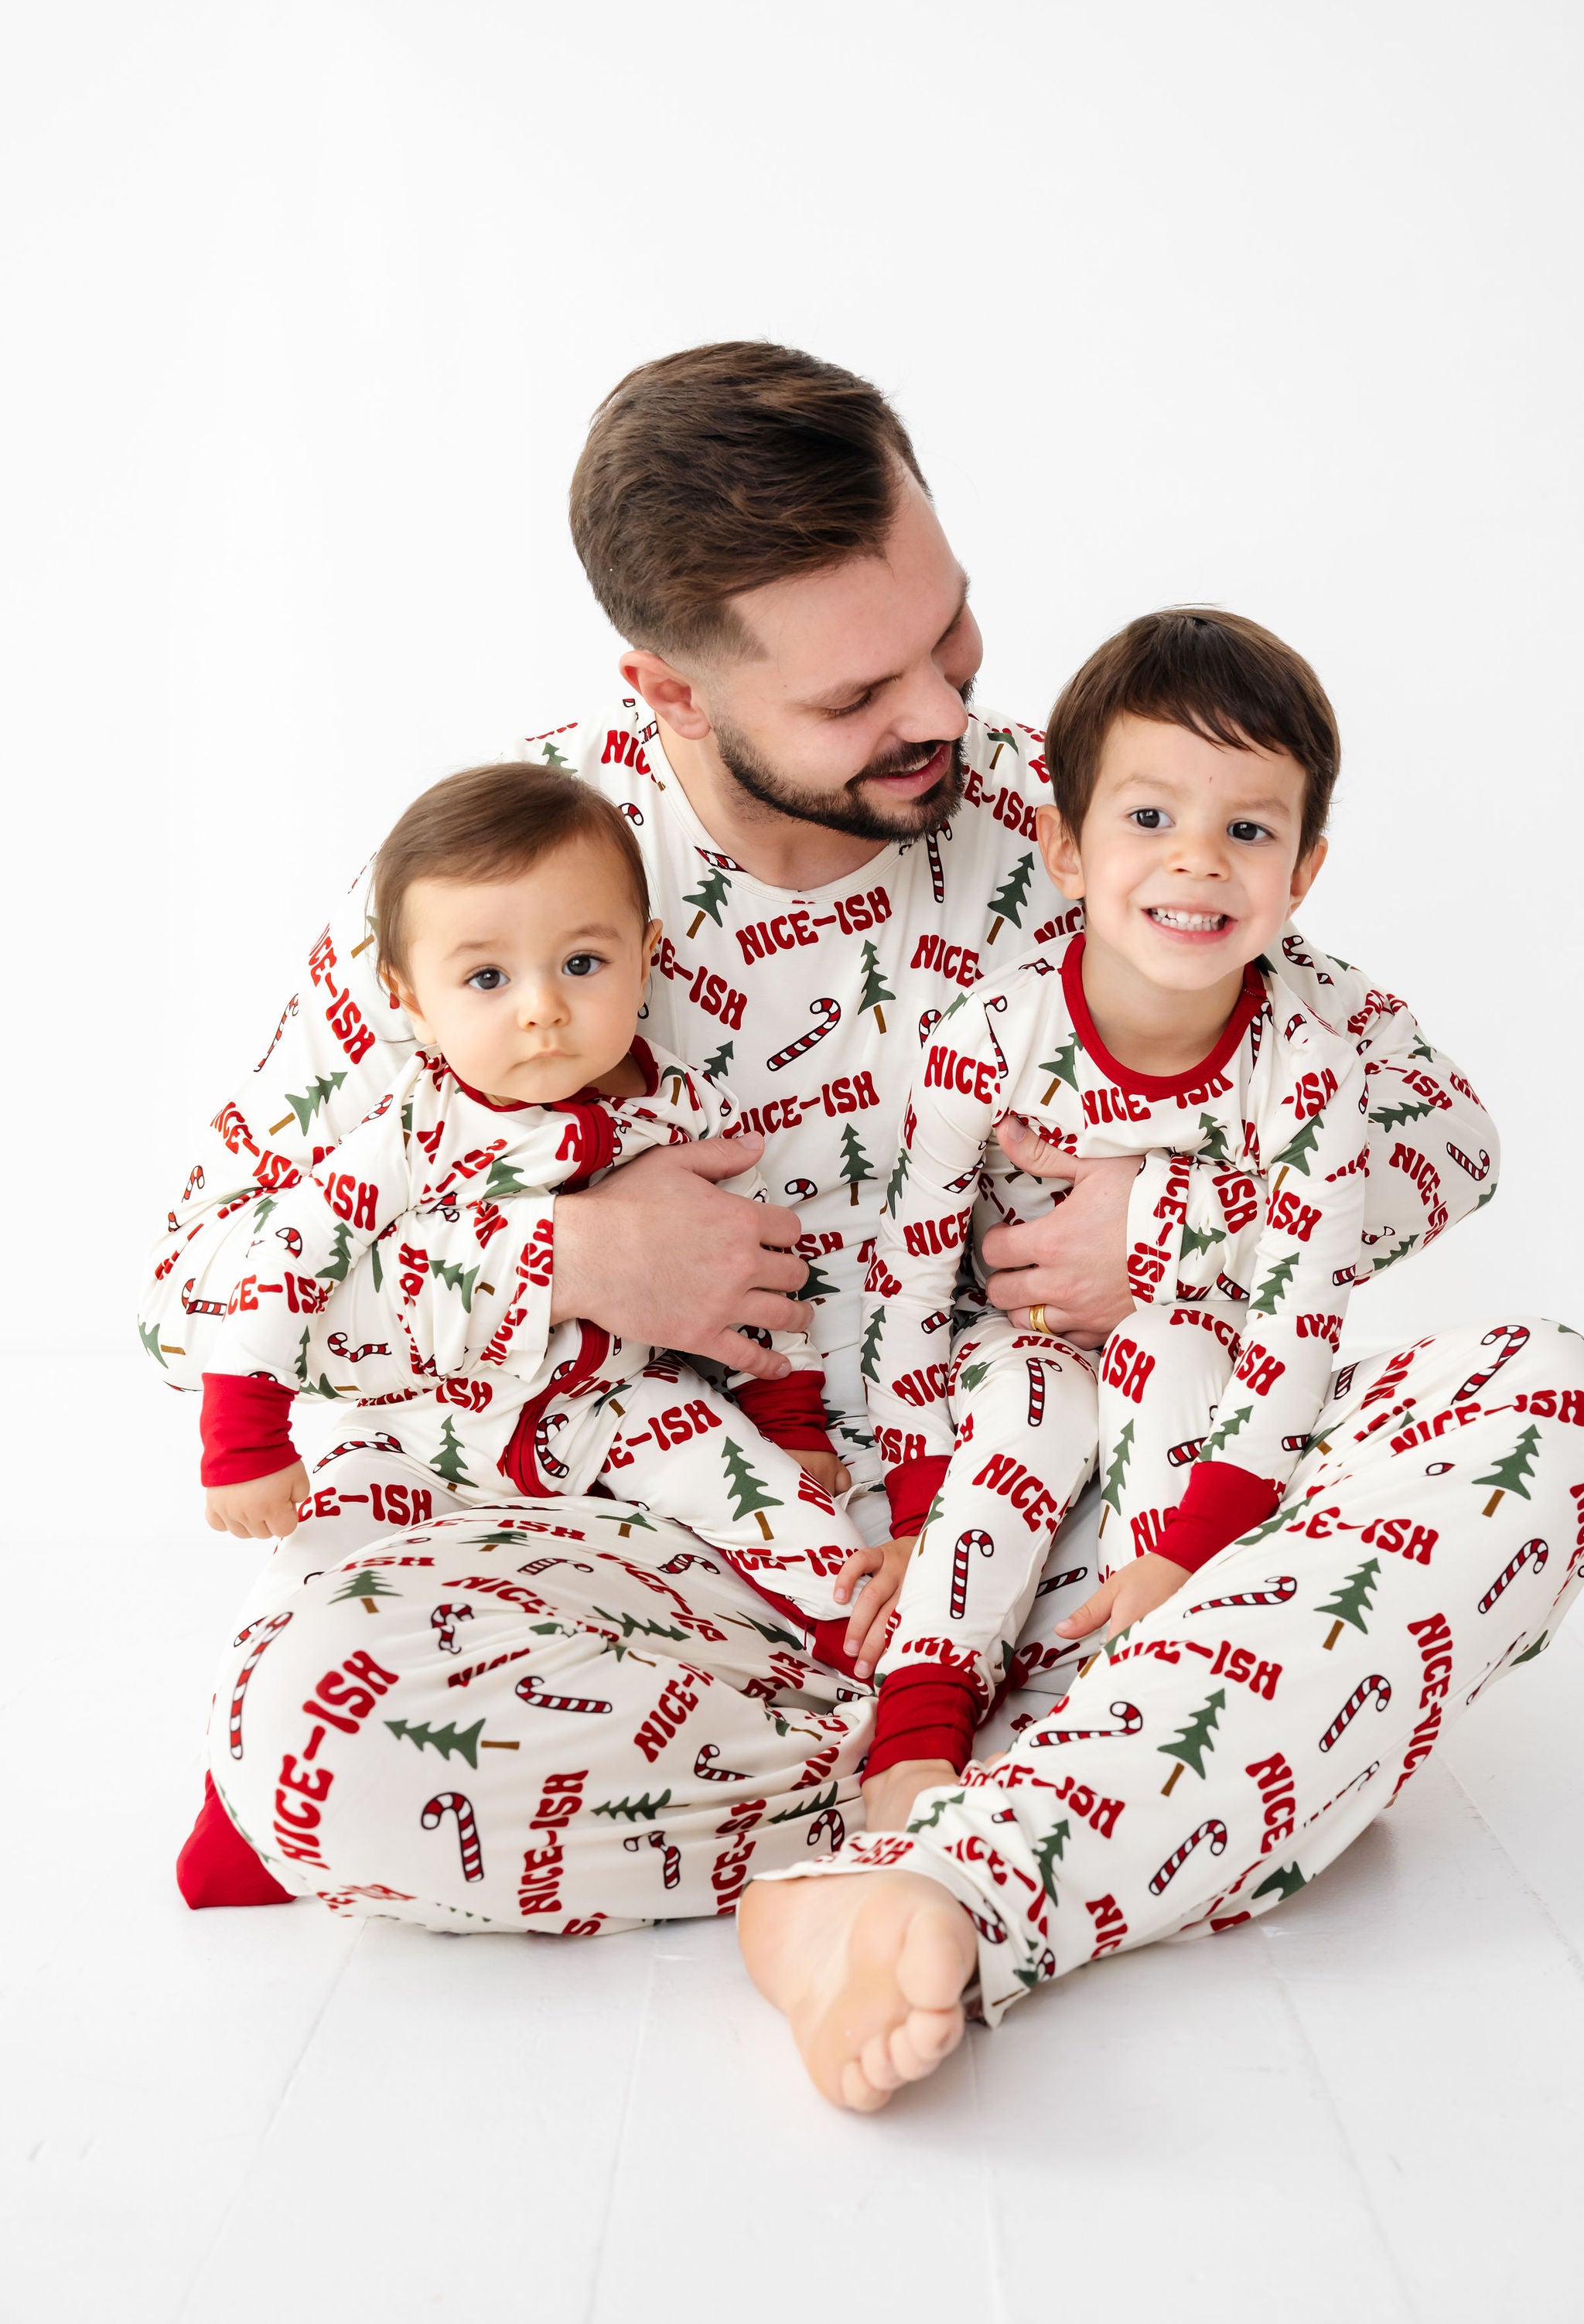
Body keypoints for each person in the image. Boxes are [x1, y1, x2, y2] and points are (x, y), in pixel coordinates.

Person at [144, 343, 1572, 1960]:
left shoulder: (1078, 808)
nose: (945, 715)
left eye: (948, 630)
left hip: (1074, 1537)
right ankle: (1116, 1797)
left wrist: (1176, 1226)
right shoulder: (501, 877)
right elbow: (191, 1293)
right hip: (701, 1585)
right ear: (669, 691)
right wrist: (563, 1262)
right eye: (853, 695)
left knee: (1540, 1406)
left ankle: (956, 1851)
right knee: (300, 1728)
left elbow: (1437, 1139)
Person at [858, 608, 1368, 1787]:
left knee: (1172, 1349)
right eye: (1149, 818)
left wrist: (1184, 1549)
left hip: (1204, 1370)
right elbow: (913, 1276)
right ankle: (919, 1729)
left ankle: (1150, 1700)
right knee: (1032, 1403)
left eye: (1247, 828)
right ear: (1069, 848)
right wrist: (918, 1501)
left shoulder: (1310, 1073)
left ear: (1302, 873)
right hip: (1017, 1348)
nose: (1197, 860)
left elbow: (1297, 1325)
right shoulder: (991, 1038)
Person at [197, 758, 868, 1640]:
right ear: (413, 1006)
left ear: (647, 961)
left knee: (811, 1536)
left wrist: (788, 1420)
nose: (542, 1008)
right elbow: (289, 1261)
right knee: (315, 1601)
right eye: (487, 980)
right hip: (419, 1423)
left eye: (582, 963)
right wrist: (245, 1439)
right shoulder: (413, 1132)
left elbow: (756, 1270)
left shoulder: (681, 1110)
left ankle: (870, 1675)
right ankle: (264, 1767)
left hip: (621, 1406)